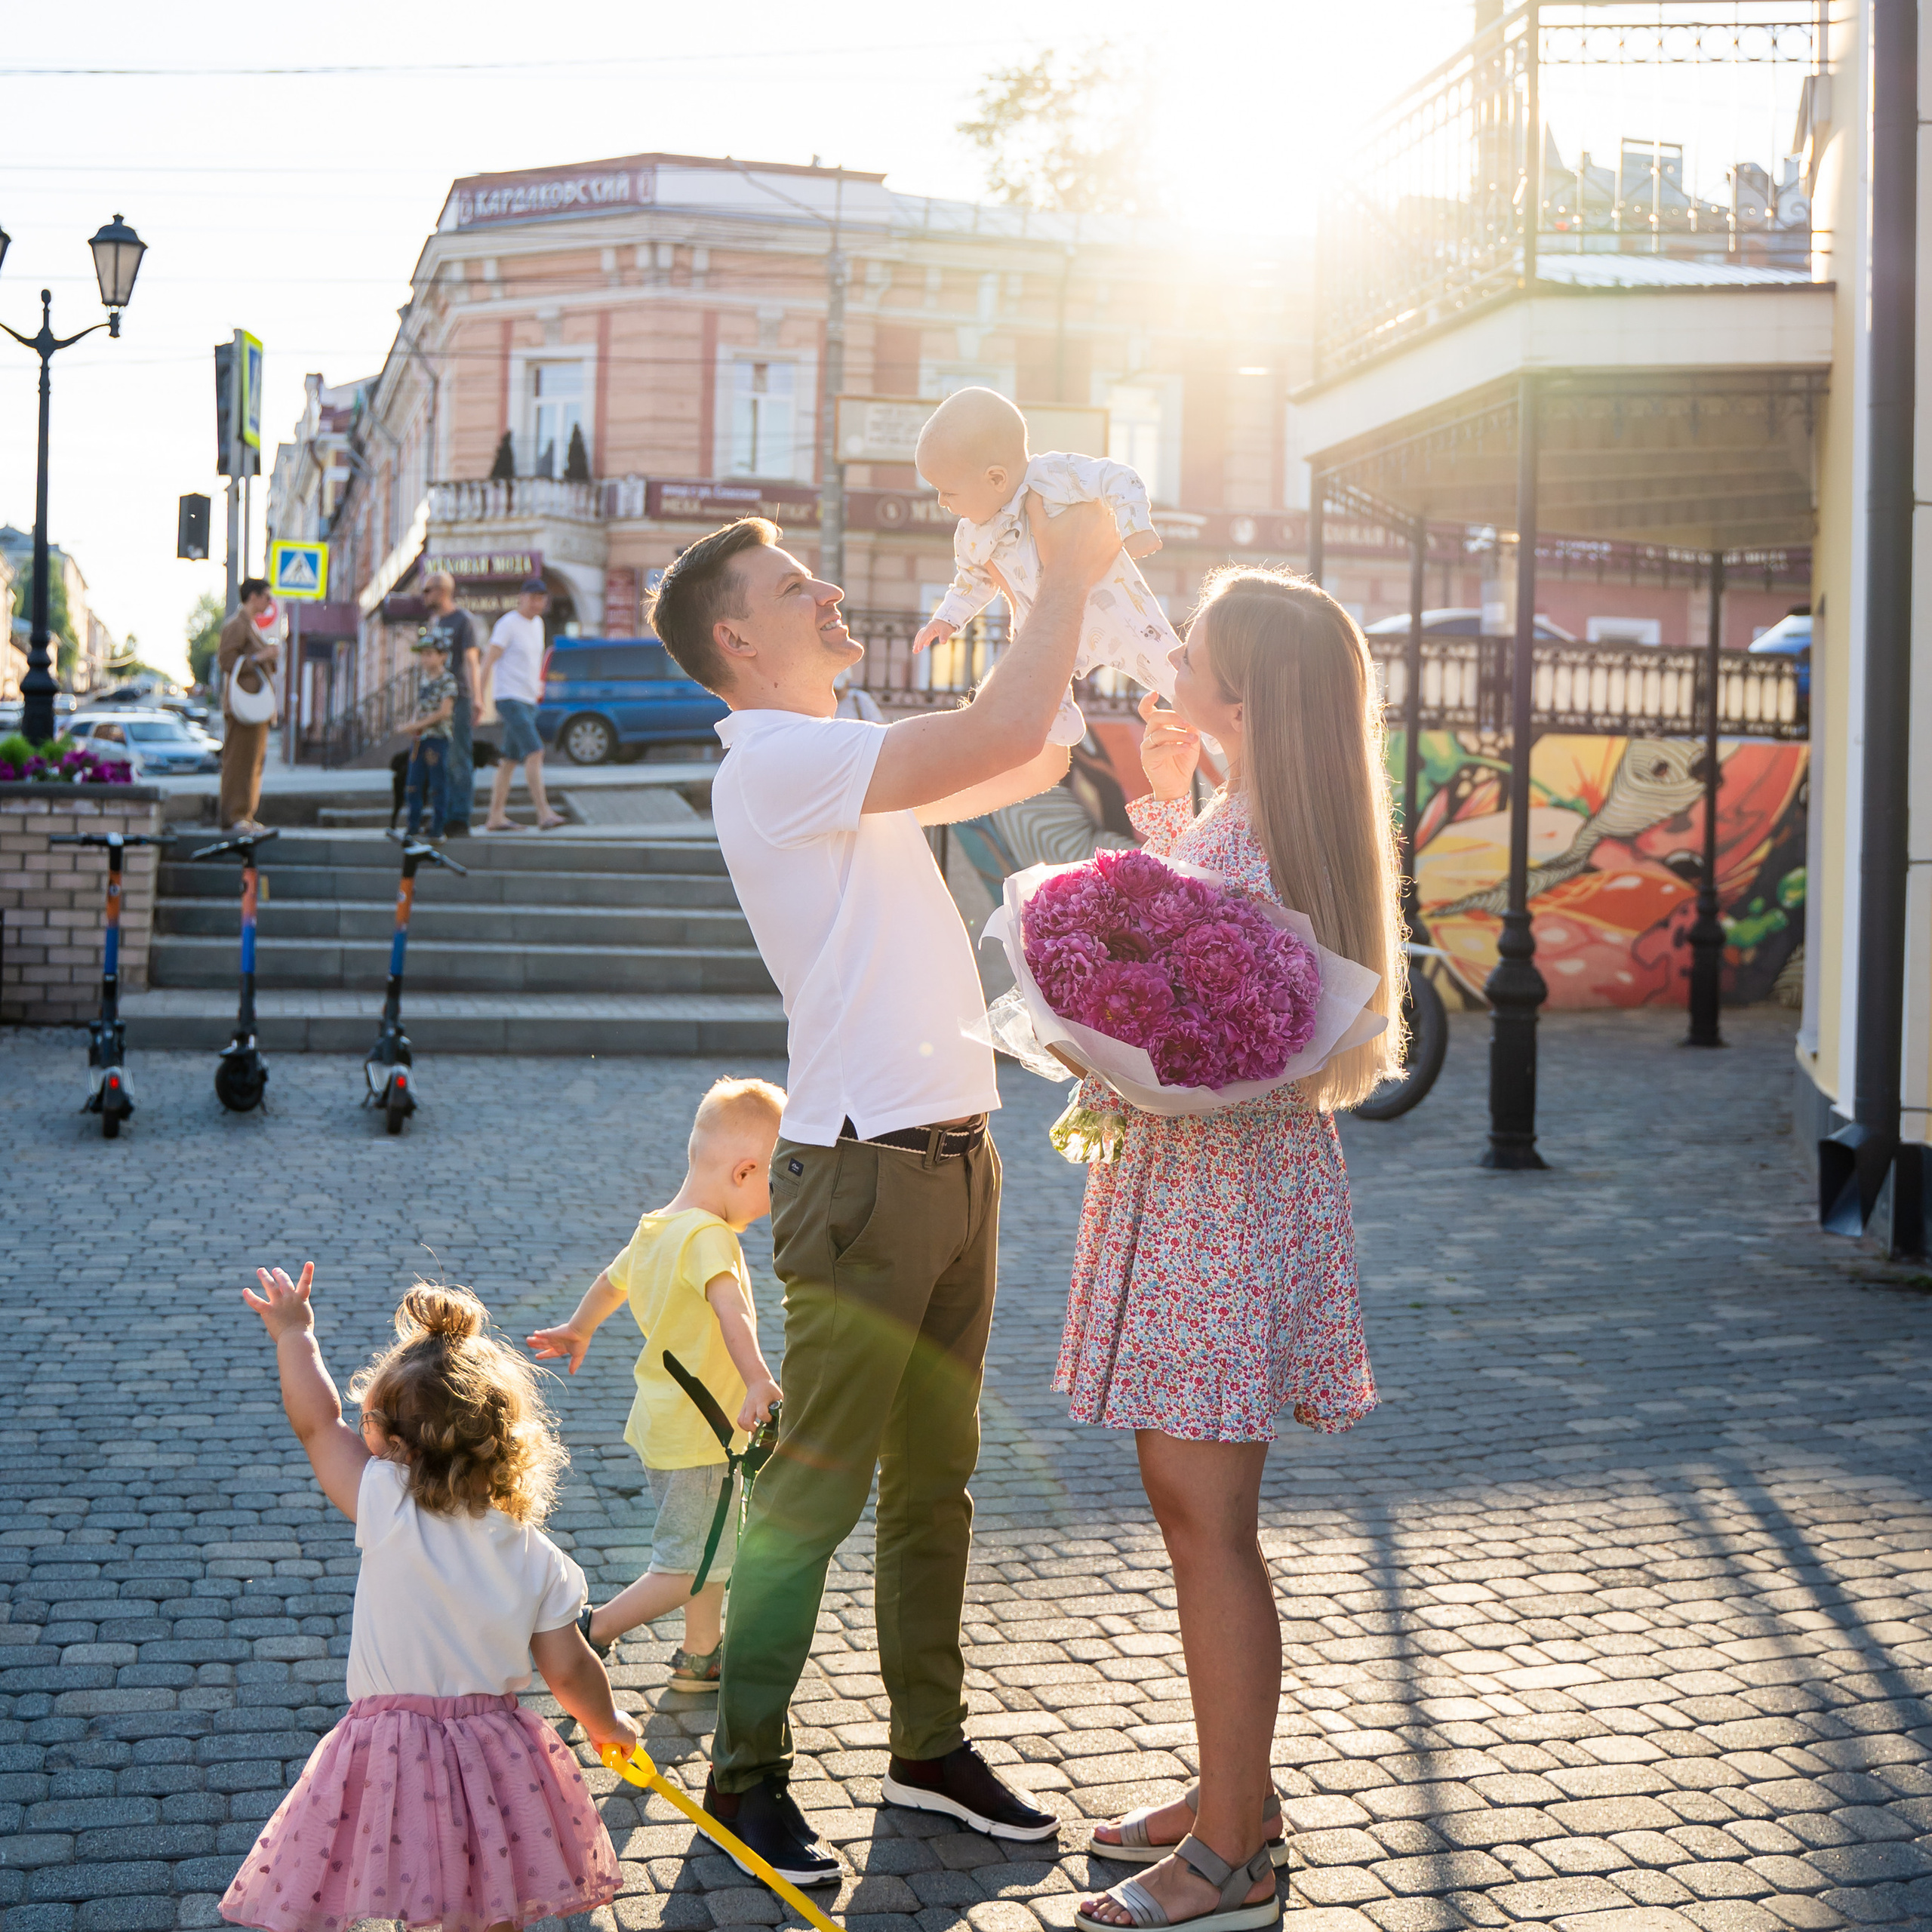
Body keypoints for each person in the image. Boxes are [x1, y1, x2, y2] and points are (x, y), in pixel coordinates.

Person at [644, 494, 1124, 1888]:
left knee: (936, 1485)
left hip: (955, 1155)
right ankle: (745, 1777)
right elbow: (991, 731)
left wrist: (1036, 591)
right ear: (738, 641)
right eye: (795, 586)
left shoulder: (839, 755)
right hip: (861, 1173)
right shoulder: (774, 761)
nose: (827, 593)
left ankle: (928, 1749)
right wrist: (1065, 574)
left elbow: (1022, 748)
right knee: (816, 1492)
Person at [1062, 568, 1401, 1932]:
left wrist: (1096, 1035)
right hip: (1225, 1195)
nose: (1171, 653)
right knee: (1201, 1517)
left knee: (1206, 1526)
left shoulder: (1259, 840)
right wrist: (1165, 801)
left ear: (1244, 693)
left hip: (1217, 1201)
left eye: (1192, 647)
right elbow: (1196, 924)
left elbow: (1203, 1009)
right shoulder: (1270, 820)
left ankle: (1231, 1857)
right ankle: (1232, 1800)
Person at [221, 1266, 637, 1932]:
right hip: (493, 1754)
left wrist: (296, 1335)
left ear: (393, 1442)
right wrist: (606, 1723)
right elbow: (569, 1669)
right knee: (492, 1896)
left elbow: (316, 1423)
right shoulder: (538, 1557)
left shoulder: (385, 1502)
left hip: (391, 1749)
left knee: (419, 1892)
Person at [528, 1077, 787, 1691]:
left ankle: (701, 1654)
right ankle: (590, 1631)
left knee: (707, 1546)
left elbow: (610, 1282)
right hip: (706, 1433)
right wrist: (758, 1379)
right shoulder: (710, 1237)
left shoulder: (656, 1228)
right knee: (688, 1565)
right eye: (778, 1185)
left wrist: (579, 1327)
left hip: (667, 1425)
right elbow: (734, 1312)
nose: (779, 1201)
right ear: (745, 1172)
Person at [913, 388, 1178, 749]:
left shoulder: (1055, 475)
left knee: (1165, 663)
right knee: (1033, 687)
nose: (941, 502)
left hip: (1112, 607)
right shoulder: (970, 534)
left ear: (996, 479)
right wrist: (946, 619)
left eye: (947, 492)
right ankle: (1060, 725)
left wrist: (1135, 527)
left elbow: (1118, 477)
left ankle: (1213, 723)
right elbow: (970, 583)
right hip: (1042, 627)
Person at [481, 577, 565, 832]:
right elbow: (488, 661)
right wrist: (478, 698)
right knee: (535, 751)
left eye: (541, 599)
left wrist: (537, 690)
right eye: (532, 598)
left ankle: (495, 817)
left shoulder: (538, 624)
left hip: (528, 700)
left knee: (509, 760)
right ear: (522, 598)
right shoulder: (508, 624)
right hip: (509, 697)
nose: (537, 603)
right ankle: (544, 813)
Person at [217, 577, 279, 833]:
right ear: (253, 597)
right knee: (239, 761)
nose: (270, 602)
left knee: (254, 761)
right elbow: (226, 660)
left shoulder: (251, 625)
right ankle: (234, 816)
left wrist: (267, 656)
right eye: (267, 597)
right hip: (243, 707)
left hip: (255, 707)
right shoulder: (237, 625)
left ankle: (246, 814)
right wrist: (261, 656)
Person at [421, 570, 481, 836]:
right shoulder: (434, 622)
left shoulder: (463, 620)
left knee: (458, 758)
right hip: (437, 698)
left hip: (458, 697)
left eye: (428, 590)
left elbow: (472, 660)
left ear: (442, 591)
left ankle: (460, 818)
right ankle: (441, 816)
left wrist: (478, 698)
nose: (424, 595)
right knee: (439, 759)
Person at [400, 633, 457, 838]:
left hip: (437, 739)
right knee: (413, 783)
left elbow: (444, 712)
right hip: (420, 739)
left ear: (443, 656)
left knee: (437, 784)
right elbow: (420, 705)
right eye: (422, 654)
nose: (424, 659)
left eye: (429, 654)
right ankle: (413, 825)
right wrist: (413, 724)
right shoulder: (424, 679)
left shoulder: (447, 681)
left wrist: (418, 724)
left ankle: (437, 827)